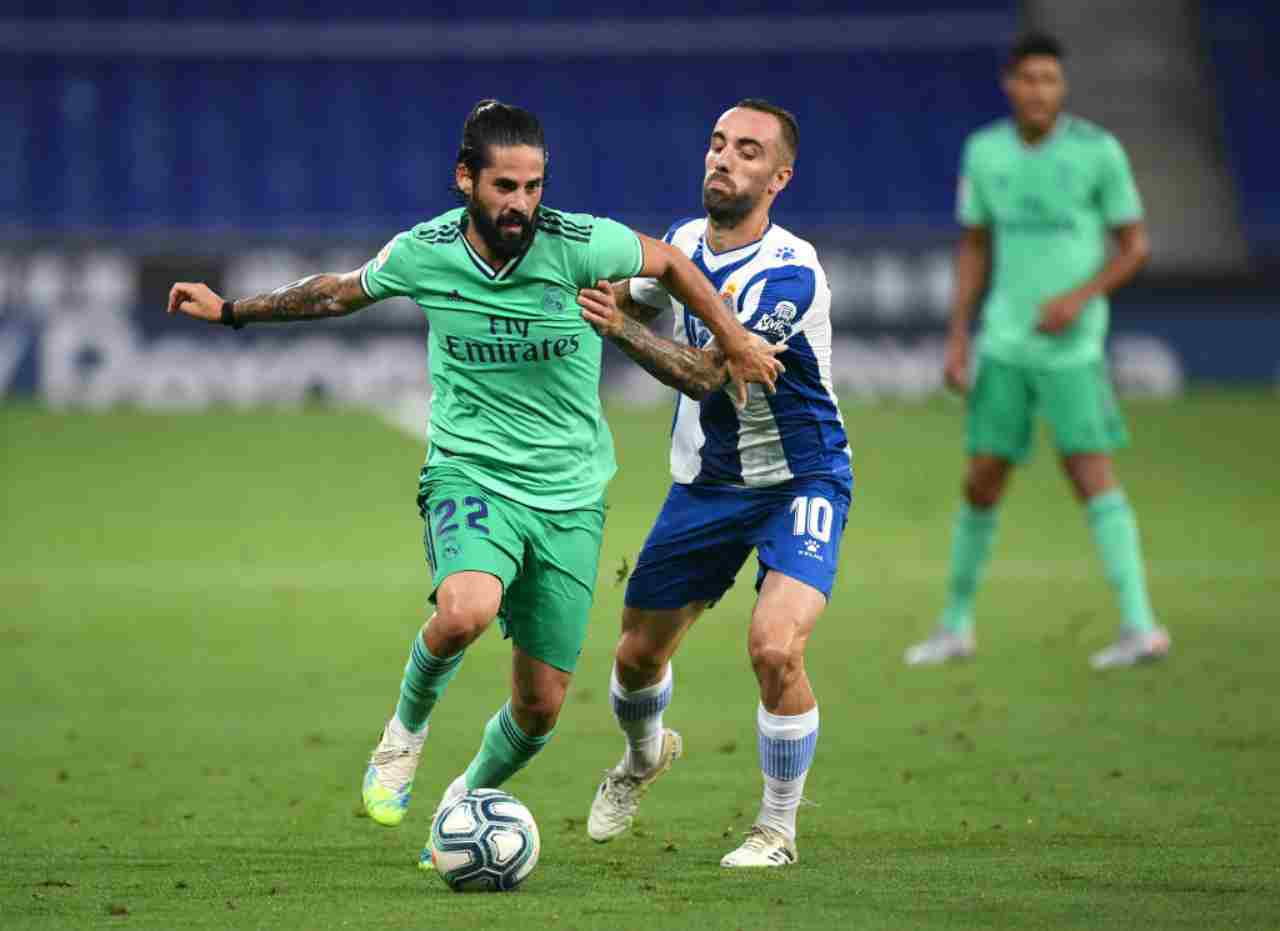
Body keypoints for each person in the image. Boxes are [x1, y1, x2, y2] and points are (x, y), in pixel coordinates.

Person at [165, 99, 783, 869]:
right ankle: (402, 739)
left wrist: (732, 340)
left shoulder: (582, 243)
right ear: (466, 180)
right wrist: (230, 311)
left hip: (570, 493)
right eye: (504, 187)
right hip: (472, 471)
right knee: (465, 609)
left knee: (541, 706)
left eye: (533, 187)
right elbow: (336, 291)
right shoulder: (426, 250)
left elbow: (674, 265)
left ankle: (462, 803)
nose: (521, 203)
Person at [574, 99, 852, 868]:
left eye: (749, 151)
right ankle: (641, 758)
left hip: (801, 479)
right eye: (718, 144)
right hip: (706, 484)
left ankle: (777, 828)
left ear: (780, 177)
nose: (724, 160)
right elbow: (627, 296)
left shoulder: (789, 273)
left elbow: (705, 375)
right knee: (635, 656)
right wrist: (587, 302)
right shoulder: (684, 243)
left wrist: (617, 327)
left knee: (774, 648)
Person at [903, 34, 1170, 670]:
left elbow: (1134, 246)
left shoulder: (1098, 152)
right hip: (1004, 343)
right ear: (1009, 84)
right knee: (982, 479)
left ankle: (1141, 626)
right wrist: (958, 333)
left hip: (1073, 349)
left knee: (1090, 473)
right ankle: (955, 626)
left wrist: (1080, 297)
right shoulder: (985, 151)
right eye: (1029, 78)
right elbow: (973, 246)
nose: (1040, 90)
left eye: (1051, 79)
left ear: (1063, 86)